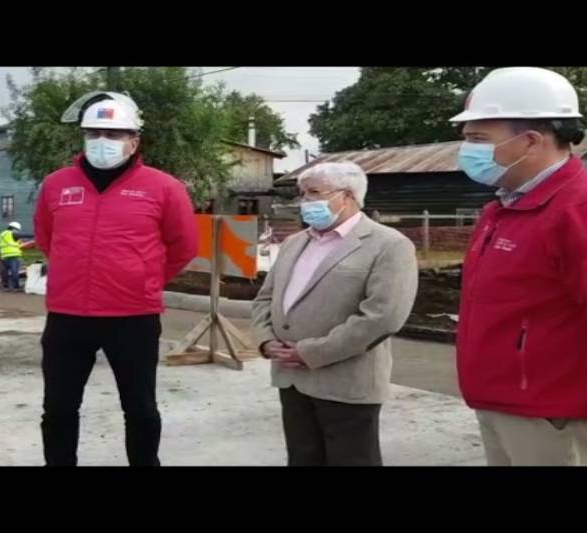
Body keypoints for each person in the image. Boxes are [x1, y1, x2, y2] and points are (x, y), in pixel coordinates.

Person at [33, 91, 198, 466]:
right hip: (67, 316)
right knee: (58, 409)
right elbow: (47, 238)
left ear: (134, 141)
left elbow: (183, 246)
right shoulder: (57, 185)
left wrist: (143, 280)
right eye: (93, 134)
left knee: (140, 409)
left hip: (132, 318)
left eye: (114, 135)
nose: (102, 142)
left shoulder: (164, 187)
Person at [451, 67, 587, 466]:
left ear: (530, 141)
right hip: (500, 403)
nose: (466, 151)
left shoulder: (575, 210)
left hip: (552, 415)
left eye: (478, 139)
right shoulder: (503, 208)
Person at [251, 162, 418, 466]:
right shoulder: (294, 243)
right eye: (302, 194)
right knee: (303, 458)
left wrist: (310, 352)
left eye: (314, 193)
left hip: (346, 383)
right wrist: (265, 340)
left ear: (348, 196)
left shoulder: (388, 245)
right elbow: (264, 299)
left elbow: (383, 316)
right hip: (292, 379)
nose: (304, 202)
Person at [0, 221, 24, 292]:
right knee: (14, 272)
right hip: (13, 256)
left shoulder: (0, 235)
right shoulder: (13, 233)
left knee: (4, 273)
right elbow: (22, 238)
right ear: (15, 228)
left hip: (4, 257)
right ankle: (16, 287)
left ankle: (6, 286)